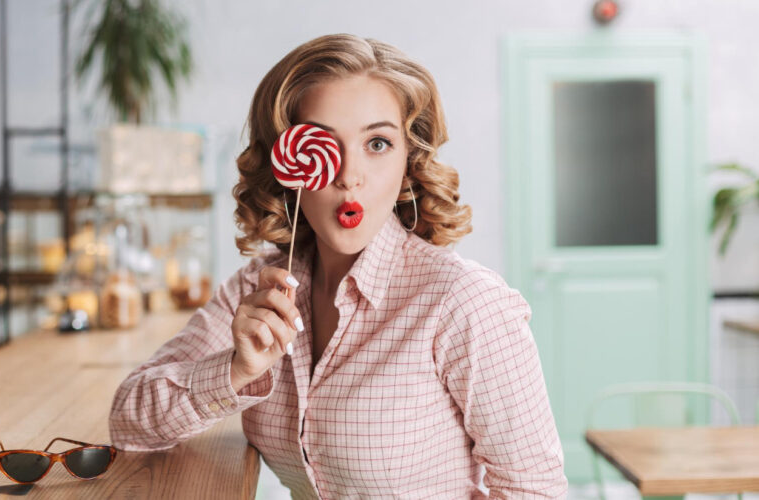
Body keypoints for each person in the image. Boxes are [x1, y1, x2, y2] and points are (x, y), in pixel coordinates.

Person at [109, 33, 567, 499]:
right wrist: (235, 369)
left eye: (378, 143)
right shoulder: (257, 290)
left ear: (409, 162)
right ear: (288, 164)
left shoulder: (463, 302)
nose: (349, 174)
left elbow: (535, 489)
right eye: (322, 144)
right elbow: (128, 420)